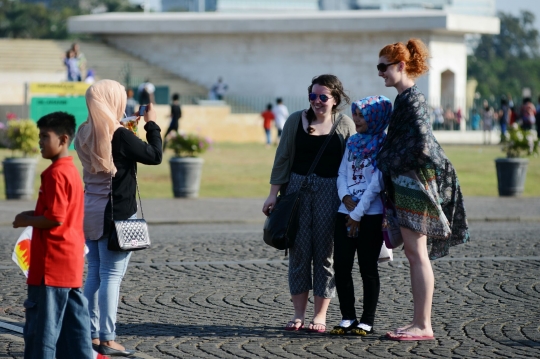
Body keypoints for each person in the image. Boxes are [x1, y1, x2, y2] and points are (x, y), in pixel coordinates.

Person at [375, 39, 469, 341]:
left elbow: (422, 145)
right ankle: (419, 322)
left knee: (418, 255)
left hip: (414, 184)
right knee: (416, 255)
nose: (380, 74)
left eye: (383, 67)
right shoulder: (405, 99)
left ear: (401, 66)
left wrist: (386, 157)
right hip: (409, 183)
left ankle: (423, 325)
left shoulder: (412, 99)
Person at [75, 79, 162, 357]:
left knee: (95, 275)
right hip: (117, 213)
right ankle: (107, 337)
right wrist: (152, 125)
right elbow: (155, 155)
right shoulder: (120, 136)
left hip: (91, 209)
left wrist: (127, 125)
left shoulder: (84, 131)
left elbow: (109, 139)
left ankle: (85, 332)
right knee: (112, 276)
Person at [262, 74, 355, 333]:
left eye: (323, 97)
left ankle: (321, 315)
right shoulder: (295, 120)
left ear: (335, 99)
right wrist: (273, 194)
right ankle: (298, 314)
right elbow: (282, 159)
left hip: (331, 192)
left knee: (325, 254)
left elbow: (353, 165)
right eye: (312, 96)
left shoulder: (346, 124)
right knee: (299, 252)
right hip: (297, 190)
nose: (316, 101)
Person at [13, 112, 93, 359]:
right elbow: (59, 211)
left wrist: (26, 220)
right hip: (69, 264)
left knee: (42, 333)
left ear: (63, 139)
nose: (40, 142)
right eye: (39, 136)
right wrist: (31, 213)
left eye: (45, 137)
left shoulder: (55, 173)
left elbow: (55, 217)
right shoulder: (71, 170)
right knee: (74, 330)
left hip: (51, 265)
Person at [330, 95, 392, 337]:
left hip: (370, 215)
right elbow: (342, 173)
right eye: (355, 114)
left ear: (375, 118)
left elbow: (377, 183)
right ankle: (347, 317)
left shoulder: (384, 144)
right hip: (344, 213)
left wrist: (356, 213)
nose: (356, 119)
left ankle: (367, 320)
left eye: (361, 115)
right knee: (342, 266)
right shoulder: (353, 141)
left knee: (367, 268)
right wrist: (345, 198)